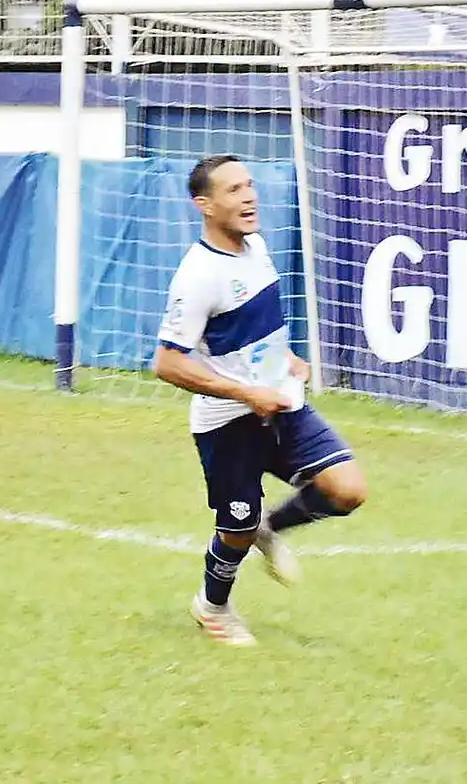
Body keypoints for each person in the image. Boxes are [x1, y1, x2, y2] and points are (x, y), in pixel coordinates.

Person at [154, 154, 367, 646]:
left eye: (249, 186)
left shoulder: (257, 248)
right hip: (229, 421)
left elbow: (252, 327)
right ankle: (213, 605)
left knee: (347, 489)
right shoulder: (198, 276)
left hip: (281, 403)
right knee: (234, 528)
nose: (249, 197)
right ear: (204, 205)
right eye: (233, 190)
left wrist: (286, 359)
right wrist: (245, 390)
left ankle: (270, 527)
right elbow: (167, 363)